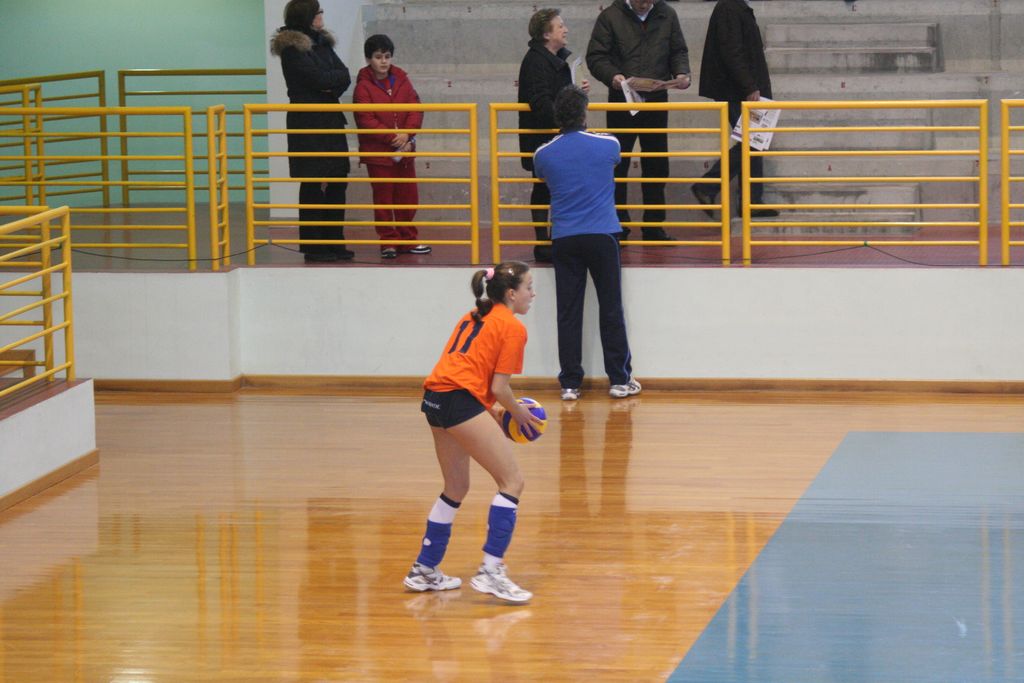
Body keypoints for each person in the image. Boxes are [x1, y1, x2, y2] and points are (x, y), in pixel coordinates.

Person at [405, 261, 543, 603]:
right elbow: (499, 387)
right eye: (528, 287)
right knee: (512, 482)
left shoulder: (473, 315)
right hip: (458, 401)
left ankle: (424, 569)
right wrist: (518, 414)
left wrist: (490, 411)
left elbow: (463, 371)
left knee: (455, 487)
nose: (533, 294)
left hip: (435, 399)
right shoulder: (512, 327)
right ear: (511, 294)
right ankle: (491, 572)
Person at [534, 86, 641, 401]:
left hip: (565, 237)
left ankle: (570, 384)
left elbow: (542, 176)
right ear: (584, 113)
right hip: (602, 234)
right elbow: (614, 158)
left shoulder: (543, 153)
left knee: (568, 311)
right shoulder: (608, 144)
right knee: (611, 307)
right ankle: (619, 380)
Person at [586, 0, 691, 243]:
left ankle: (653, 225)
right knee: (618, 163)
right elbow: (596, 56)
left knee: (657, 164)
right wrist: (613, 76)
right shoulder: (610, 17)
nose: (644, 4)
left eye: (648, 0)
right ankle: (618, 225)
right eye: (640, 0)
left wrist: (681, 73)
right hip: (622, 100)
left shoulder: (667, 14)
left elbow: (678, 50)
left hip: (656, 100)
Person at [270, 0, 354, 263]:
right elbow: (317, 79)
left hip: (330, 119)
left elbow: (344, 75)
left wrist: (328, 85)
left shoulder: (322, 42)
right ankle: (315, 246)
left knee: (338, 180)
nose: (322, 16)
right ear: (307, 15)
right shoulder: (292, 48)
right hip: (307, 123)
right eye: (318, 12)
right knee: (313, 182)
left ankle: (334, 241)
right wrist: (328, 83)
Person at [692, 0, 779, 219]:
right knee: (752, 141)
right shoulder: (730, 7)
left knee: (754, 141)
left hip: (740, 88)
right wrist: (749, 86)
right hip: (737, 90)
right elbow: (732, 52)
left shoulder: (733, 7)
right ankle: (710, 186)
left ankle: (751, 201)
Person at [517, 8, 589, 263]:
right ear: (546, 34)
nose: (565, 29)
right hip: (545, 137)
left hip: (555, 136)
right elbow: (540, 102)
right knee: (544, 189)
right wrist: (567, 120)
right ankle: (544, 242)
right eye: (560, 26)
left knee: (552, 189)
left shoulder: (553, 60)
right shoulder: (536, 62)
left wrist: (577, 91)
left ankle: (555, 239)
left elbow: (556, 96)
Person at [353, 34, 431, 260]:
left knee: (408, 196)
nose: (384, 61)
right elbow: (365, 119)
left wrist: (407, 133)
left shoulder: (402, 80)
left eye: (387, 56)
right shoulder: (363, 87)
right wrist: (392, 137)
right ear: (369, 59)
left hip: (404, 151)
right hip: (378, 154)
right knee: (384, 199)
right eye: (378, 57)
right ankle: (388, 241)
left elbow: (415, 107)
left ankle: (408, 239)